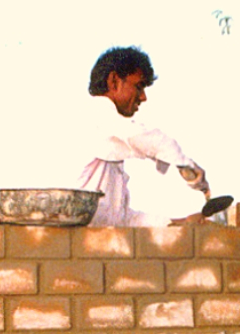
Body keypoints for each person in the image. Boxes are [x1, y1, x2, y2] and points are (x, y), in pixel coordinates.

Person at [76, 46, 210, 226]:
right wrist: (187, 167)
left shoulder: (111, 149)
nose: (143, 97)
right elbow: (150, 141)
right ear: (114, 81)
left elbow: (120, 219)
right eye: (138, 87)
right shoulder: (98, 116)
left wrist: (180, 223)